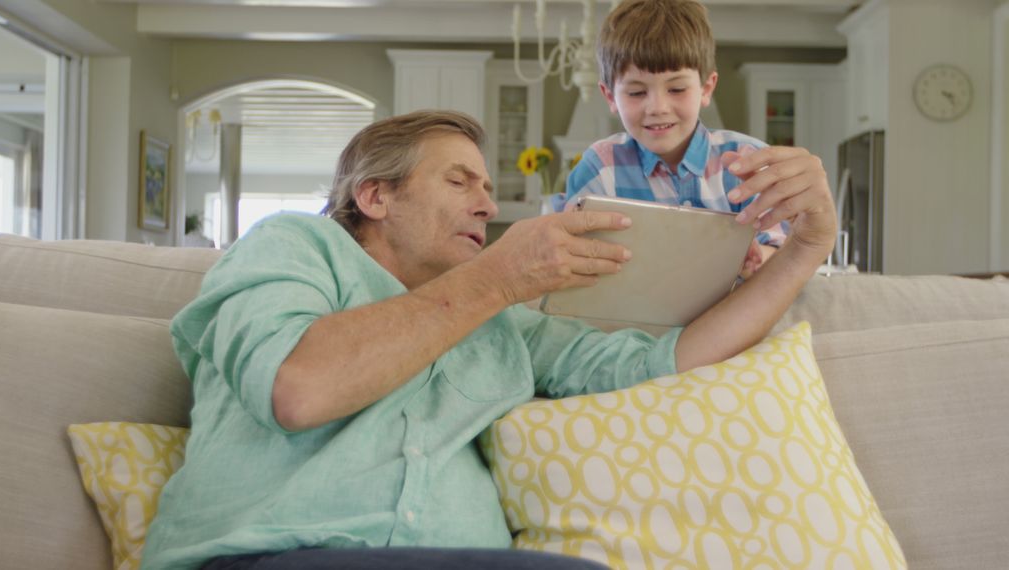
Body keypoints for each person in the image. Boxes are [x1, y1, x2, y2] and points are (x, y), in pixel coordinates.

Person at [141, 109, 836, 570]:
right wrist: (498, 277)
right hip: (270, 555)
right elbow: (298, 386)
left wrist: (808, 245)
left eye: (487, 184)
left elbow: (671, 362)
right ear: (376, 197)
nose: (488, 202)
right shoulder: (294, 246)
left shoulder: (506, 323)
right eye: (458, 180)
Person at [551, 0, 794, 278]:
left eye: (676, 88)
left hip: (736, 315)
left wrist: (758, 259)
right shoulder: (599, 168)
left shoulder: (746, 159)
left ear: (706, 88)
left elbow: (782, 249)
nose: (658, 107)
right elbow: (573, 259)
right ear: (610, 97)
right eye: (636, 93)